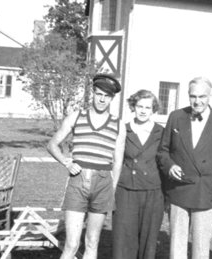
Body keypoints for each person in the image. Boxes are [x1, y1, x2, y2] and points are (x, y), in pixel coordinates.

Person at [157, 76, 212, 259]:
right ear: (188, 95)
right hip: (179, 189)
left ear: (211, 95)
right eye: (193, 96)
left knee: (201, 245)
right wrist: (169, 166)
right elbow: (163, 150)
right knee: (177, 244)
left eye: (202, 96)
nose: (197, 101)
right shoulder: (176, 117)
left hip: (206, 189)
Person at [47, 74, 126, 259]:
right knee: (72, 244)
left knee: (92, 242)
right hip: (78, 181)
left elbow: (118, 161)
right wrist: (67, 162)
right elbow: (52, 144)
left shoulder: (118, 125)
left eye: (106, 96)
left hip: (103, 184)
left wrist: (112, 189)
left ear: (112, 98)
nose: (101, 99)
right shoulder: (77, 116)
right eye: (98, 94)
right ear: (93, 93)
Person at [112, 90, 164, 259]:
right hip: (126, 190)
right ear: (133, 107)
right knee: (124, 239)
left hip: (153, 192)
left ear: (153, 109)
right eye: (139, 106)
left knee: (148, 241)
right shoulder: (123, 129)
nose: (143, 110)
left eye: (147, 107)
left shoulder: (161, 132)